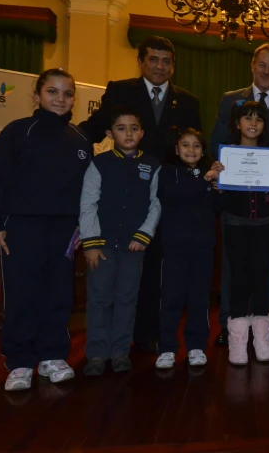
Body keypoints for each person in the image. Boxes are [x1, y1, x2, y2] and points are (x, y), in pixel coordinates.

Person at [80, 35, 201, 354]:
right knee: (120, 276)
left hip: (170, 200)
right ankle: (111, 343)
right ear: (141, 62)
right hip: (127, 197)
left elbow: (197, 149)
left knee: (158, 270)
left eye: (166, 61)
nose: (160, 66)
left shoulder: (188, 101)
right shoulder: (120, 91)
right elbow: (92, 130)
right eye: (153, 59)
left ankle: (148, 335)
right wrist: (63, 141)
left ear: (173, 65)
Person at [0, 68, 92, 391]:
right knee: (22, 295)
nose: (60, 99)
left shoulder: (82, 140)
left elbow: (88, 191)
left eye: (67, 93)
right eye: (52, 92)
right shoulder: (17, 132)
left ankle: (53, 356)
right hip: (21, 229)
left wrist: (85, 225)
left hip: (65, 231)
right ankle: (20, 362)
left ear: (74, 99)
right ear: (37, 95)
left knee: (59, 294)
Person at [210, 43, 269, 346]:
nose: (266, 71)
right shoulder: (229, 100)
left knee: (265, 268)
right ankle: (230, 326)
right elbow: (217, 144)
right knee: (232, 267)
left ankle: (260, 326)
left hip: (268, 203)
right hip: (234, 202)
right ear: (252, 65)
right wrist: (221, 170)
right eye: (261, 64)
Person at [79, 106, 161, 376]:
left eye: (134, 128)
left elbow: (156, 204)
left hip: (133, 245)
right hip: (101, 245)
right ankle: (96, 354)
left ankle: (120, 352)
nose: (128, 133)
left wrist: (143, 235)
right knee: (100, 298)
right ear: (109, 133)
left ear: (142, 132)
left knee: (127, 298)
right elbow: (88, 203)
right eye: (121, 128)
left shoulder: (152, 164)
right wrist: (90, 243)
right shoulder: (99, 163)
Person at [212, 100, 269, 365]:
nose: (253, 122)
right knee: (238, 279)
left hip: (264, 225)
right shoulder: (226, 157)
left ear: (264, 125)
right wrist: (217, 182)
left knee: (261, 278)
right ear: (237, 123)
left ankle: (262, 337)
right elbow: (218, 199)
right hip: (234, 224)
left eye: (258, 118)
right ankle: (238, 340)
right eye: (247, 117)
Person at [155, 128, 224, 369]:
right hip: (174, 247)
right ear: (176, 149)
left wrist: (218, 189)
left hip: (203, 247)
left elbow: (217, 208)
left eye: (196, 145)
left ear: (203, 150)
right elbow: (174, 196)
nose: (191, 150)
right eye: (186, 145)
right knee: (171, 299)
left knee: (199, 299)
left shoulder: (208, 176)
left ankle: (196, 347)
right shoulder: (167, 172)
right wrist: (204, 181)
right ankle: (166, 348)